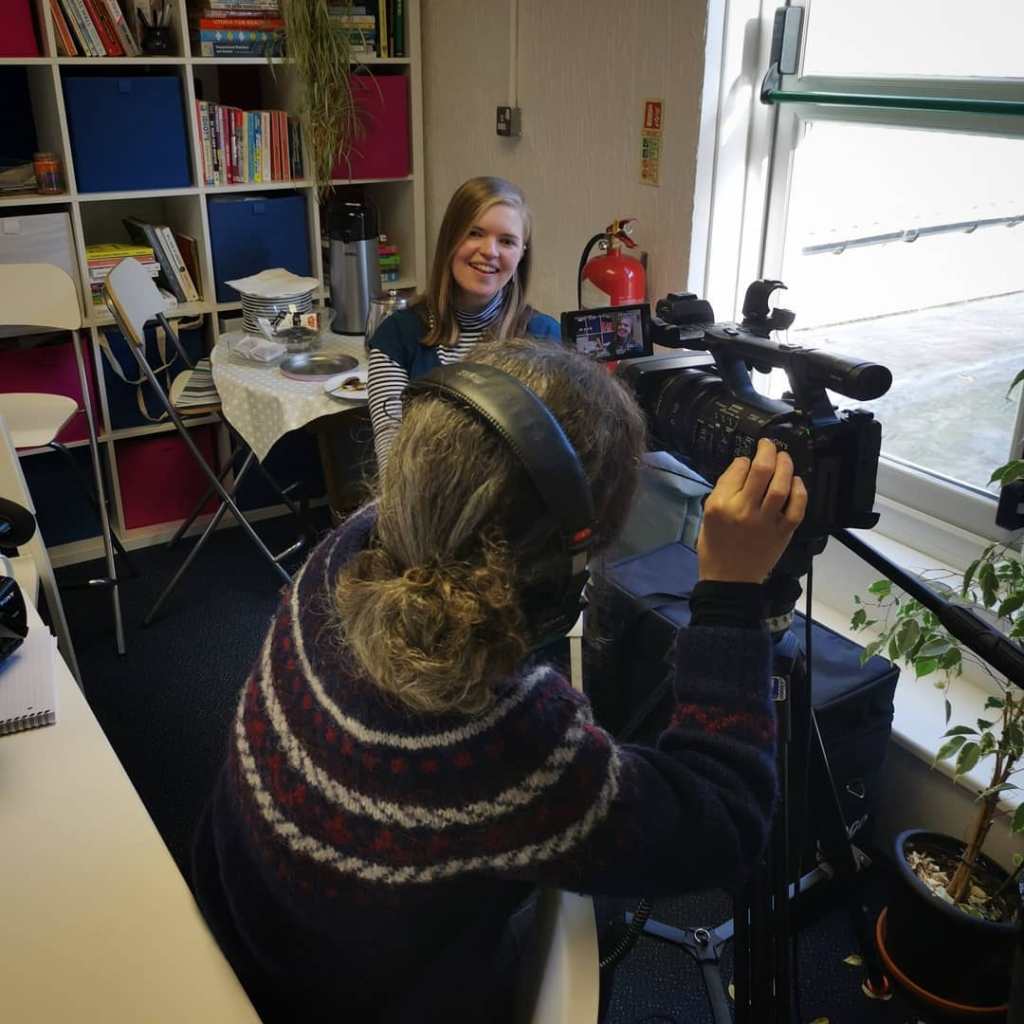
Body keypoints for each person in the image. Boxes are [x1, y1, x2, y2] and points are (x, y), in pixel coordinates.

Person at [192, 339, 807, 1024]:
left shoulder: (347, 549)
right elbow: (727, 819)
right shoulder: (502, 744)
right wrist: (730, 596)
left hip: (242, 917)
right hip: (345, 998)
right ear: (570, 555)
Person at [365, 176, 560, 467]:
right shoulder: (395, 338)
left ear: (521, 254)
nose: (490, 251)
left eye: (506, 241)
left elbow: (558, 457)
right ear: (450, 239)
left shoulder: (547, 339)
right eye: (475, 233)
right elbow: (392, 462)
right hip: (422, 505)